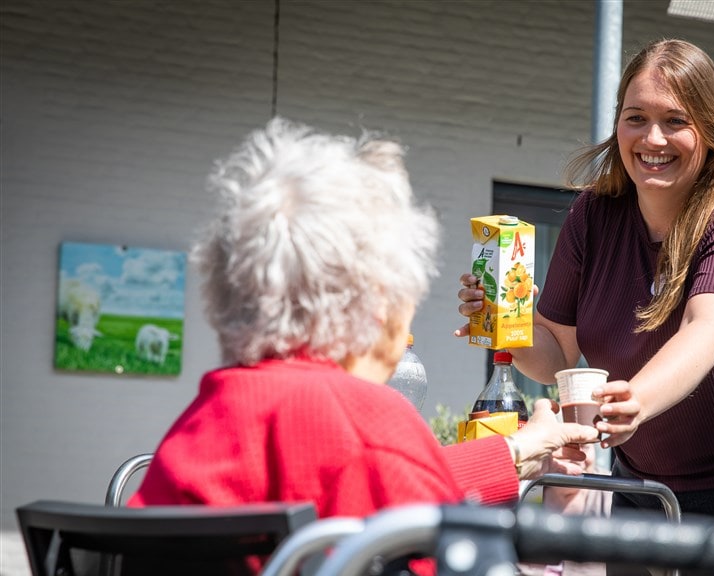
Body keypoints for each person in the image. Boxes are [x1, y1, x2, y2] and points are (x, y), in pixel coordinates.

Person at [129, 118, 599, 572]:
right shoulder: (364, 423)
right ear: (378, 303)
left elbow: (389, 487)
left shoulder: (213, 411)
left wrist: (516, 450)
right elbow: (390, 491)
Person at [456, 38, 714, 576]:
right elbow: (557, 358)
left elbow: (709, 331)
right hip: (647, 489)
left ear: (710, 131)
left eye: (675, 120)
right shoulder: (594, 215)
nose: (653, 138)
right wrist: (503, 322)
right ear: (618, 125)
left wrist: (635, 400)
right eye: (636, 117)